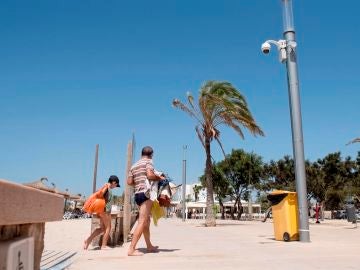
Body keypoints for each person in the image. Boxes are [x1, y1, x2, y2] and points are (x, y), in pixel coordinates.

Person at [127, 146, 165, 256]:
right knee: (142, 221)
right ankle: (131, 249)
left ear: (141, 154)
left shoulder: (134, 165)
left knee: (146, 221)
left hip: (137, 194)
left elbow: (129, 181)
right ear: (151, 154)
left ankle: (149, 246)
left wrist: (139, 183)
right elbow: (149, 175)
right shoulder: (149, 162)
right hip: (146, 193)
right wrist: (159, 178)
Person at [82, 175, 120, 250]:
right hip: (105, 210)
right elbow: (100, 194)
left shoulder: (106, 187)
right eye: (116, 185)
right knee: (108, 227)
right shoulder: (106, 187)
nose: (115, 186)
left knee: (102, 229)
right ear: (114, 182)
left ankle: (88, 241)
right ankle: (103, 246)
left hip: (102, 210)